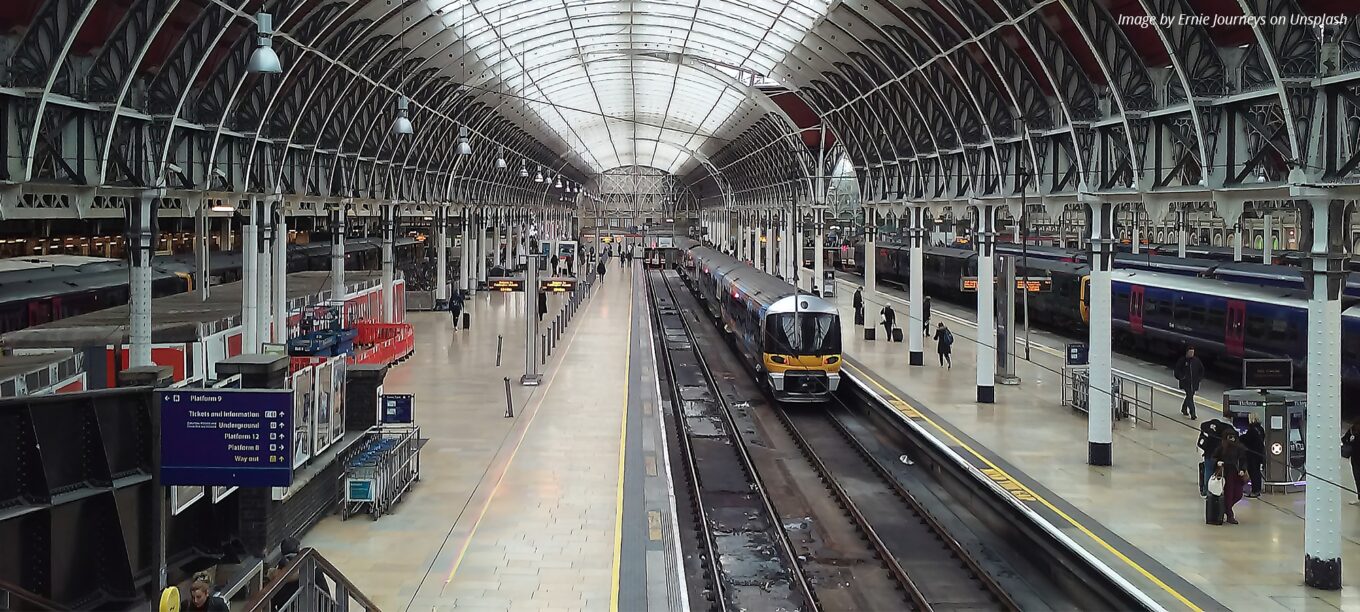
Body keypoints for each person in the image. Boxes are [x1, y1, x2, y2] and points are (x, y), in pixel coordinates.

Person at [1212, 429, 1248, 524]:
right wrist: (1217, 462)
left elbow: (1243, 460)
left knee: (1238, 494)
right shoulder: (1222, 447)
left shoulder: (1240, 447)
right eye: (1229, 437)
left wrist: (1242, 469)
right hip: (1226, 474)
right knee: (1229, 494)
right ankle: (1229, 514)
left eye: (1233, 437)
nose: (1231, 439)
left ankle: (1224, 509)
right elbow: (1214, 457)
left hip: (1236, 474)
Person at [1197, 418, 1229, 497]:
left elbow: (1201, 443)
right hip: (1221, 455)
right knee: (1221, 472)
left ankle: (1207, 491)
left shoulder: (1205, 429)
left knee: (1208, 472)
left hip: (1209, 454)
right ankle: (1221, 490)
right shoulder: (1225, 429)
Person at [1173, 347, 1205, 420]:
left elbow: (1201, 370)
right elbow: (1177, 371)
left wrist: (1199, 379)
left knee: (1189, 396)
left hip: (1194, 383)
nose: (1192, 354)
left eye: (1193, 352)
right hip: (1186, 383)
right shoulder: (1182, 361)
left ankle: (1184, 409)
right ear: (1187, 352)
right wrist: (1182, 377)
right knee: (1190, 397)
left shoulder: (1196, 361)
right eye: (1190, 352)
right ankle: (1193, 413)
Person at [1241, 413, 1267, 497]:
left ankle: (1254, 491)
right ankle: (1257, 490)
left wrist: (1240, 438)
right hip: (1259, 454)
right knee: (1257, 472)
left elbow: (1246, 439)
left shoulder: (1252, 430)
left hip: (1252, 455)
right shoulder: (1260, 429)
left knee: (1253, 473)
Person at [1344, 422, 1360, 505]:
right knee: (1357, 479)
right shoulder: (1352, 431)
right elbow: (1344, 439)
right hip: (1355, 459)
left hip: (1355, 459)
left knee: (1358, 479)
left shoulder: (1353, 431)